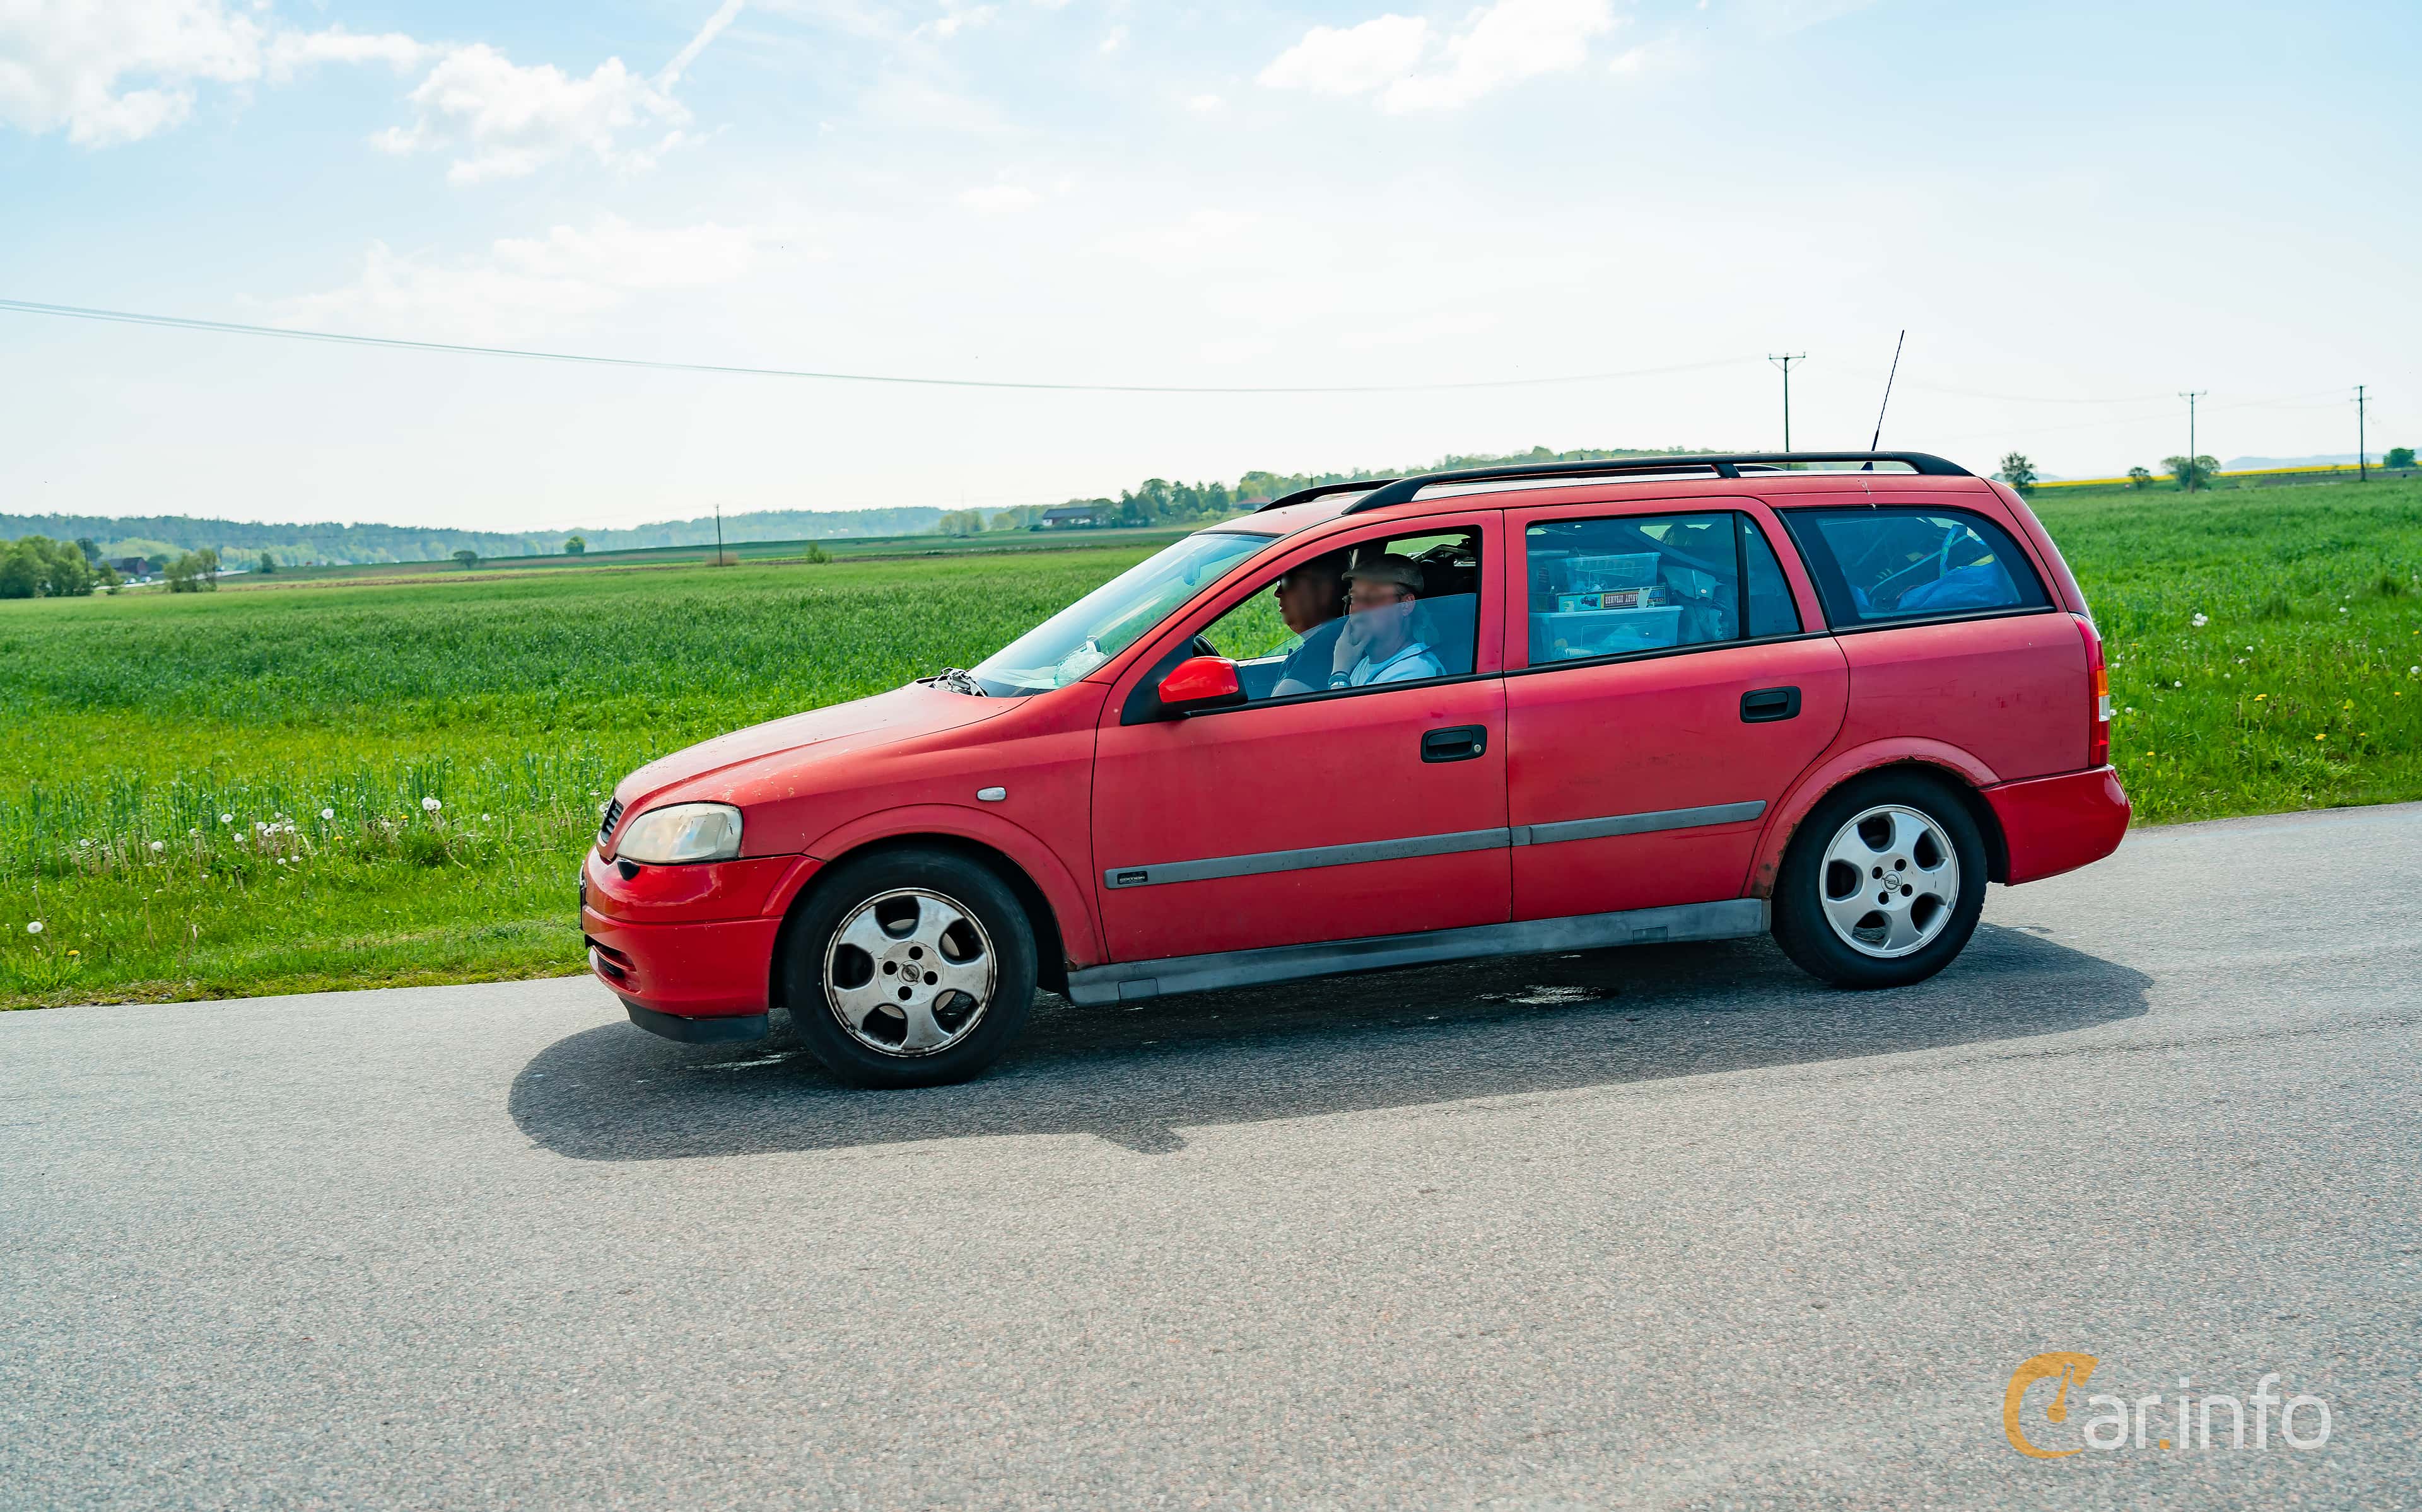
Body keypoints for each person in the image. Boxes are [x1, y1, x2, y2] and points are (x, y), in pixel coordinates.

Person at [1328, 554, 1444, 689]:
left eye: (1371, 598)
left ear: (1406, 605)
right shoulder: (1366, 663)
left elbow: (1343, 704)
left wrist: (1339, 674)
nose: (1358, 609)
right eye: (1354, 599)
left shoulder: (1414, 672)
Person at [1268, 552, 1348, 696]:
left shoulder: (1322, 652)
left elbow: (1277, 707)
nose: (1277, 592)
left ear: (1325, 590)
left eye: (1287, 582)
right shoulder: (1329, 642)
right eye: (1279, 582)